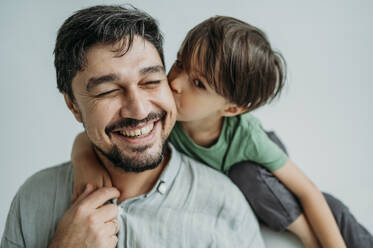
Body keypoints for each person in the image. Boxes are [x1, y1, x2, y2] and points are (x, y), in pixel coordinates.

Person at [71, 15, 373, 248]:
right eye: (179, 63)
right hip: (236, 184)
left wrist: (315, 241)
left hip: (263, 175)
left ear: (230, 109)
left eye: (198, 83)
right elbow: (99, 133)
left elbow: (308, 191)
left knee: (332, 212)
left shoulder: (247, 136)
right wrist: (84, 162)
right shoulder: (166, 116)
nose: (175, 82)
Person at [0, 5, 265, 248]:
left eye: (150, 82)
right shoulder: (33, 200)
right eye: (107, 91)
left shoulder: (226, 208)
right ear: (72, 104)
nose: (139, 110)